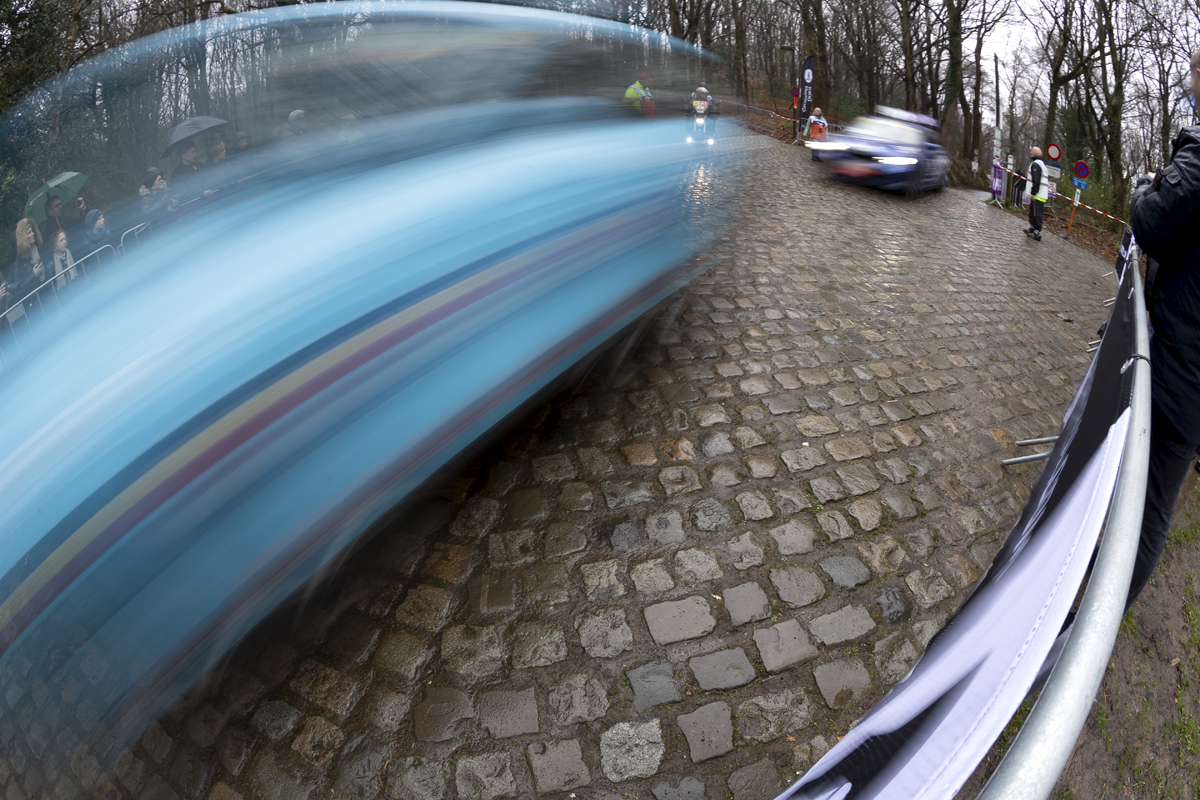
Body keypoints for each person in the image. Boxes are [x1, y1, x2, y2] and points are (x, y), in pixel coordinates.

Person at [1123, 48, 1200, 610]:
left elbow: (1152, 223)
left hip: (1178, 373)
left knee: (1147, 509)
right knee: (1154, 497)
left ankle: (1100, 615)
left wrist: (1143, 188)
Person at [9, 217, 49, 309]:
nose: (33, 234)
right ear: (23, 239)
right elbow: (18, 289)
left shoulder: (38, 251)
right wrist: (33, 275)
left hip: (46, 294)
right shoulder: (16, 264)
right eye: (29, 232)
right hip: (32, 304)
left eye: (32, 231)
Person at [1024, 146, 1048, 241]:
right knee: (1034, 213)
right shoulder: (1042, 164)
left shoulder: (1036, 164)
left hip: (1037, 194)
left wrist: (1033, 193)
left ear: (1035, 153)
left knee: (1036, 213)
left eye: (1032, 151)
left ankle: (1037, 233)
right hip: (1040, 194)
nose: (1030, 153)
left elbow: (1036, 181)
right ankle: (1033, 229)